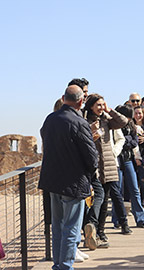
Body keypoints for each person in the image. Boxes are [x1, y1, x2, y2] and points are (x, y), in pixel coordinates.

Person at [39, 85, 98, 270]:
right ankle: (64, 266)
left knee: (57, 227)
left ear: (64, 98)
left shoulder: (50, 119)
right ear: (81, 102)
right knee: (71, 228)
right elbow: (92, 158)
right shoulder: (79, 122)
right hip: (73, 182)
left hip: (52, 181)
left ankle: (58, 264)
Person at [83, 94, 132, 248]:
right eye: (98, 105)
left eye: (102, 104)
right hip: (95, 165)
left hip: (109, 164)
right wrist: (92, 135)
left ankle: (100, 232)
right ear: (91, 106)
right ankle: (92, 229)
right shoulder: (86, 121)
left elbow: (123, 122)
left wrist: (109, 110)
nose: (101, 107)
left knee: (105, 200)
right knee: (98, 197)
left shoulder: (105, 119)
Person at [115, 104, 144, 228]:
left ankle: (140, 218)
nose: (130, 119)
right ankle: (118, 219)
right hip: (117, 159)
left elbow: (134, 141)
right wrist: (128, 140)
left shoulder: (132, 126)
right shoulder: (114, 125)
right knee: (118, 190)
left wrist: (128, 141)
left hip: (128, 158)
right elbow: (124, 141)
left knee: (135, 189)